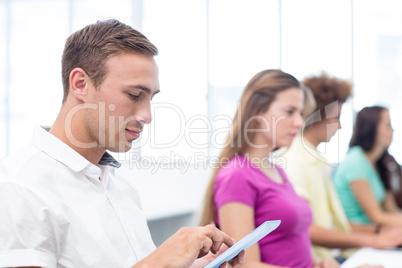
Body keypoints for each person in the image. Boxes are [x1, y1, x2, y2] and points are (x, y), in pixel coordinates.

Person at [0, 19, 246, 268]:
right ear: (80, 84)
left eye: (150, 98)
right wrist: (160, 262)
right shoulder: (21, 188)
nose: (147, 116)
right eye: (134, 95)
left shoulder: (120, 188)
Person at [200, 69, 340, 267]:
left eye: (301, 113)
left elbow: (293, 246)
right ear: (258, 112)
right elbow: (245, 265)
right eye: (290, 111)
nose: (300, 122)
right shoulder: (237, 175)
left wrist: (320, 263)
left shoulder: (277, 172)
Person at [280, 73, 402, 262]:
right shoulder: (295, 161)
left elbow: (337, 225)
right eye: (335, 118)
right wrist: (374, 238)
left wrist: (378, 234)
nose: (340, 126)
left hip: (331, 256)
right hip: (320, 260)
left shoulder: (316, 160)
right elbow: (305, 229)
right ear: (315, 115)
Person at [333, 106, 402, 226]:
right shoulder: (356, 162)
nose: (393, 131)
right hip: (360, 238)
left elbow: (391, 209)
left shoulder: (377, 163)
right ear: (372, 128)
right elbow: (377, 217)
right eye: (388, 125)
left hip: (379, 234)